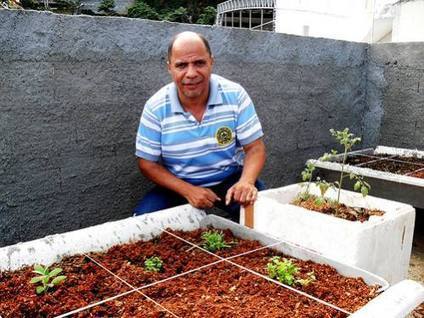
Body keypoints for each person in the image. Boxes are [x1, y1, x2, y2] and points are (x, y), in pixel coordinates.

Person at [134, 31, 266, 220]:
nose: (191, 73)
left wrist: (246, 181)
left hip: (230, 179)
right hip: (178, 185)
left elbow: (255, 148)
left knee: (265, 218)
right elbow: (147, 163)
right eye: (181, 65)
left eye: (199, 63)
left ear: (211, 61)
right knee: (143, 224)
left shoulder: (235, 95)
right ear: (169, 68)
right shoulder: (156, 107)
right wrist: (188, 190)